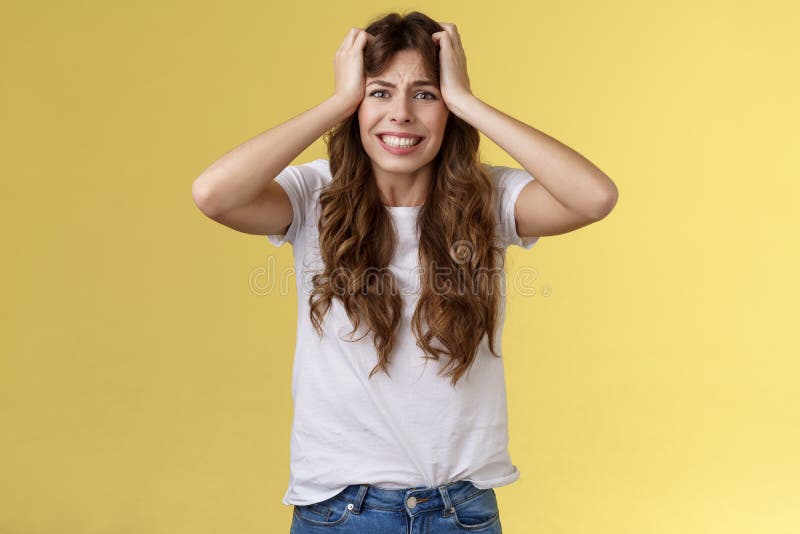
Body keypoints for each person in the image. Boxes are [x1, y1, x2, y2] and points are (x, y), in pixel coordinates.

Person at [192, 10, 618, 533]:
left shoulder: (487, 198)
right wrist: (335, 104)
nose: (401, 114)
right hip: (340, 514)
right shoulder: (313, 195)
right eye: (379, 93)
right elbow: (212, 194)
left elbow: (595, 197)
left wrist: (468, 102)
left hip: (460, 514)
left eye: (425, 93)